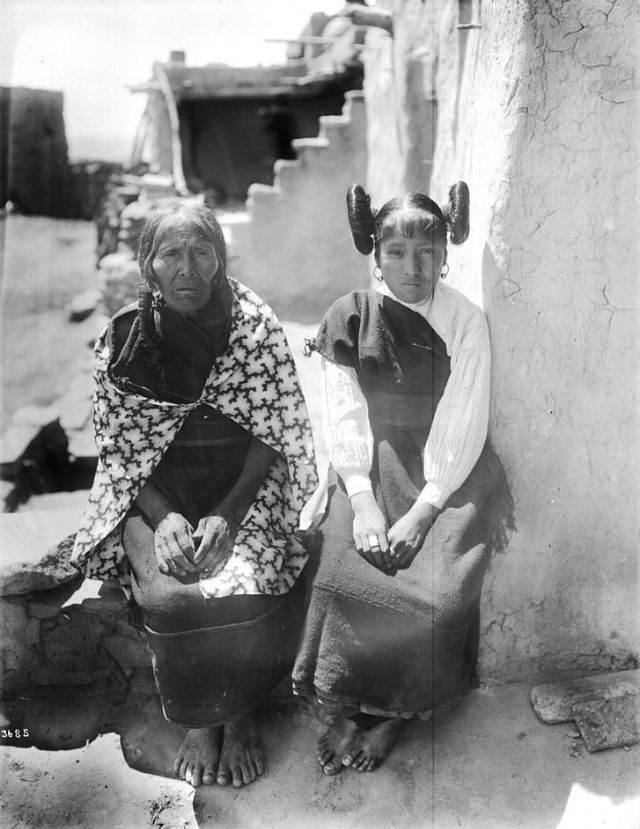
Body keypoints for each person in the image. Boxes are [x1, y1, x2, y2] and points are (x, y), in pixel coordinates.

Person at [72, 202, 318, 788]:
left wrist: (230, 516)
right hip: (153, 495)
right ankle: (205, 720)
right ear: (148, 265)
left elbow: (272, 432)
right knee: (172, 597)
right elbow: (123, 454)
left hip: (240, 491)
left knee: (251, 580)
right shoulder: (125, 338)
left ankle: (239, 714)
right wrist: (164, 518)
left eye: (201, 253)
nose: (187, 269)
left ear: (220, 259)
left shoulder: (254, 327)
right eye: (171, 255)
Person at [292, 183, 513, 775]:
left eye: (428, 252)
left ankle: (395, 713)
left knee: (438, 593)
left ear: (446, 255)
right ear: (375, 255)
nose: (413, 269)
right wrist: (362, 501)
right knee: (341, 572)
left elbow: (464, 416)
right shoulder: (349, 315)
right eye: (397, 253)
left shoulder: (464, 320)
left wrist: (425, 508)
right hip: (371, 458)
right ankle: (351, 699)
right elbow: (342, 409)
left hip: (448, 468)